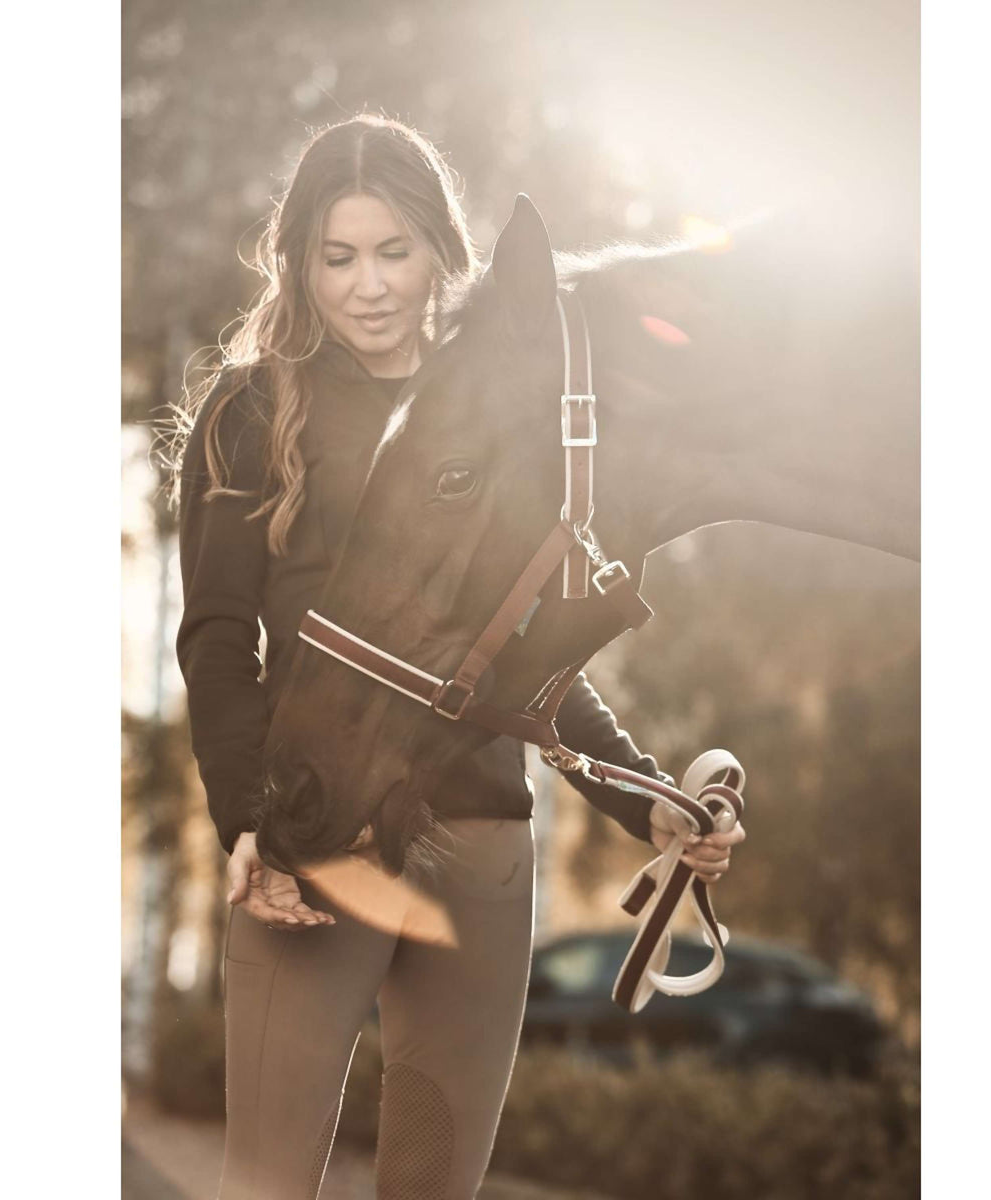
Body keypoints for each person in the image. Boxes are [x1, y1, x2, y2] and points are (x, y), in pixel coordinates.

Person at [172, 114, 745, 1200]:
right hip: (319, 844)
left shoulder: (500, 414)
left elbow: (518, 648)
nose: (368, 286)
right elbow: (216, 638)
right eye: (337, 257)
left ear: (441, 246)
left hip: (481, 847)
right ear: (298, 263)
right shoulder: (251, 412)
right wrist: (248, 817)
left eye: (394, 251)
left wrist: (644, 800)